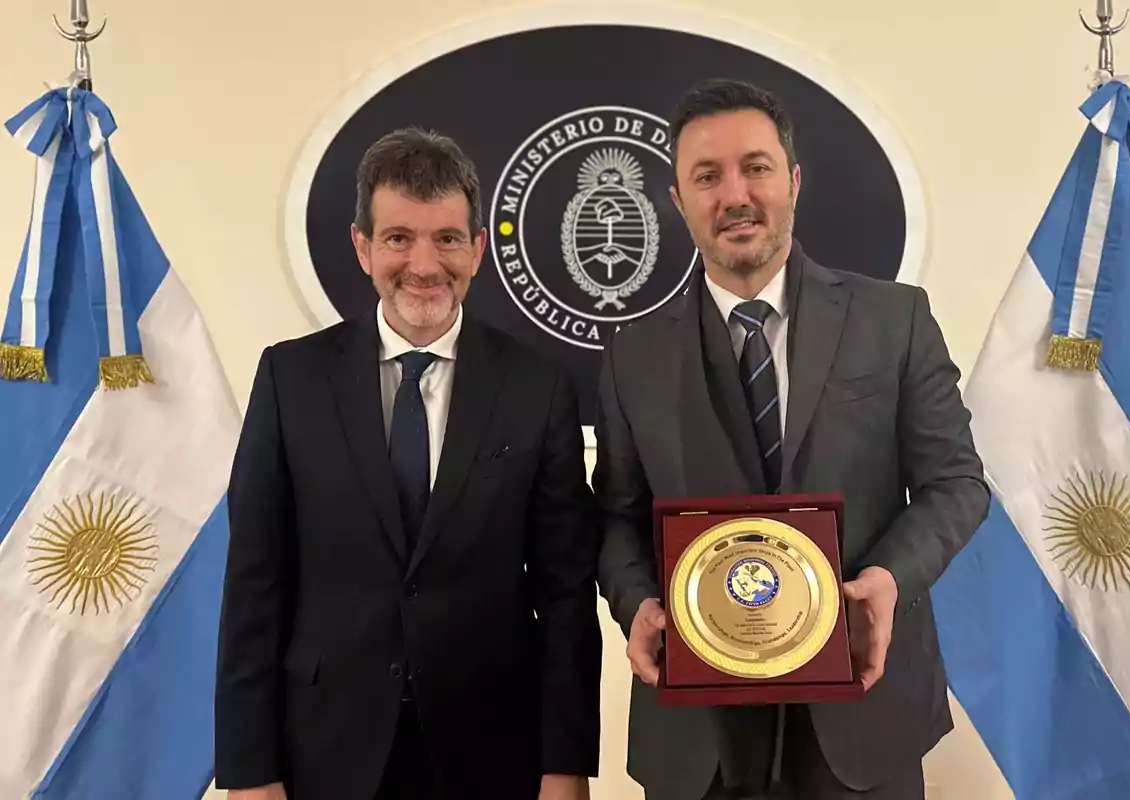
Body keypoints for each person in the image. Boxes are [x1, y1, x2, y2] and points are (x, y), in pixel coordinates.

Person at [593, 78, 990, 800]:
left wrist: (889, 582)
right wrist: (636, 602)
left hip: (862, 715)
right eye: (706, 177)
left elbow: (956, 485)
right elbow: (616, 515)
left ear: (794, 181)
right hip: (696, 736)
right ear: (678, 202)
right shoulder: (631, 354)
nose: (734, 194)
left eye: (756, 167)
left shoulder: (893, 319)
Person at [214, 127, 601, 800]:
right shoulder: (290, 379)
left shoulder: (538, 386)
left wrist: (565, 768)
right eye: (399, 238)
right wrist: (250, 773)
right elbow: (253, 588)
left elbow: (565, 597)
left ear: (478, 250)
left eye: (447, 238)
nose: (424, 263)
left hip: (491, 753)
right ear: (363, 247)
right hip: (324, 752)